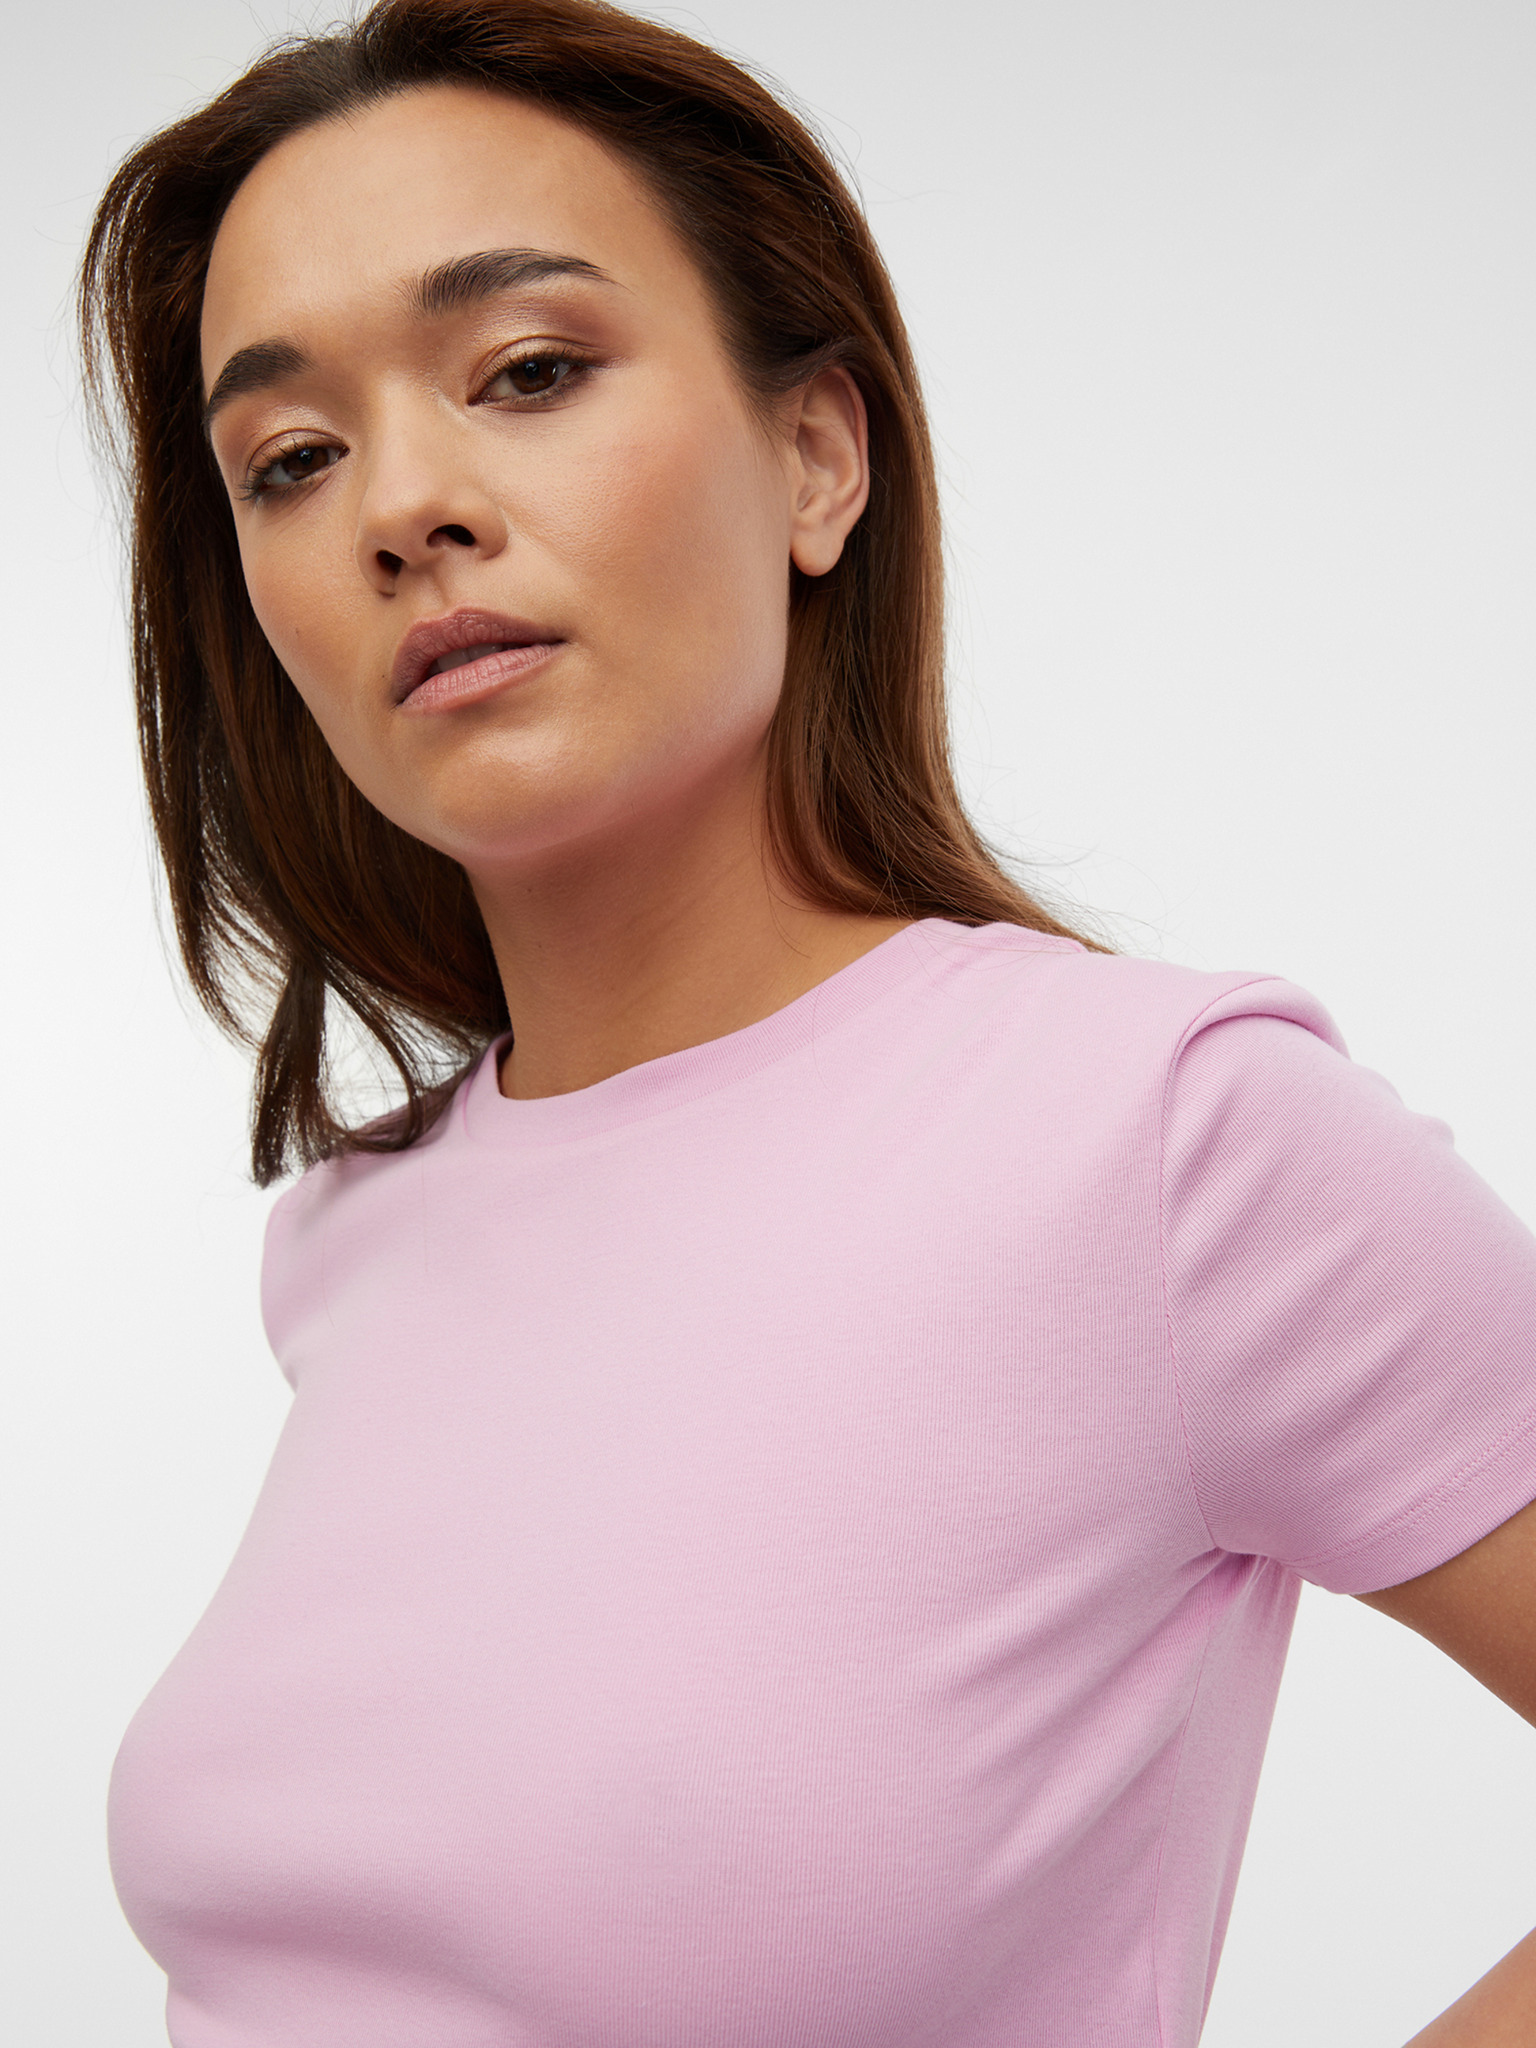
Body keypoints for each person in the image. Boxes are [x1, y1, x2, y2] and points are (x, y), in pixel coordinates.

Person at [79, 1, 1536, 2042]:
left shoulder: (1165, 1140)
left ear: (818, 457)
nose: (401, 501)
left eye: (529, 370)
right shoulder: (355, 1235)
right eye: (290, 460)